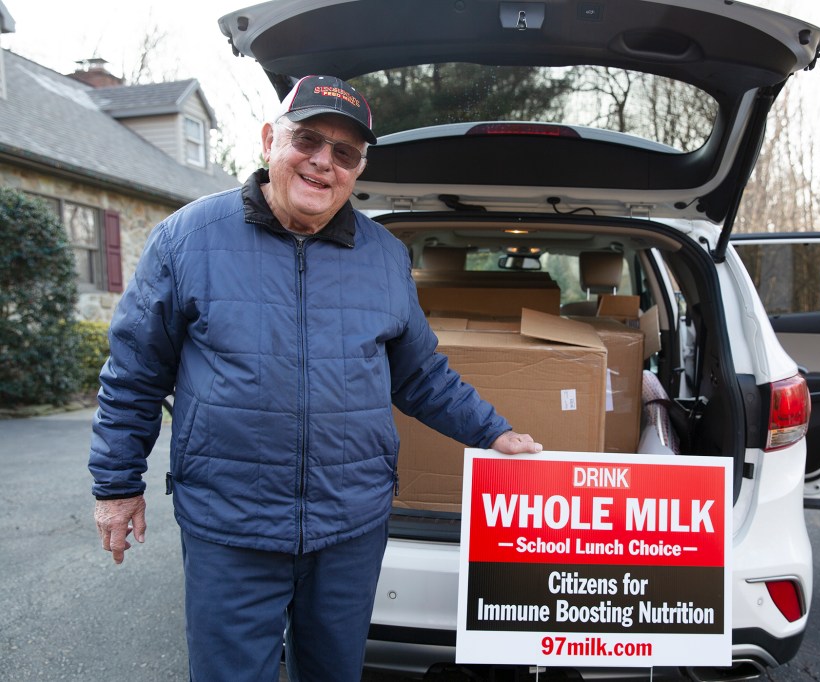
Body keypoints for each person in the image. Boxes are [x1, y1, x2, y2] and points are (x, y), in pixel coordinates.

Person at [89, 75, 542, 682]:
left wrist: (494, 433)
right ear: (269, 140)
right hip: (232, 524)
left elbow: (421, 375)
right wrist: (117, 486)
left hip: (349, 527)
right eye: (307, 140)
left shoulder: (385, 255)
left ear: (358, 170)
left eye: (345, 152)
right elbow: (134, 374)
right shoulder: (187, 240)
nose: (324, 161)